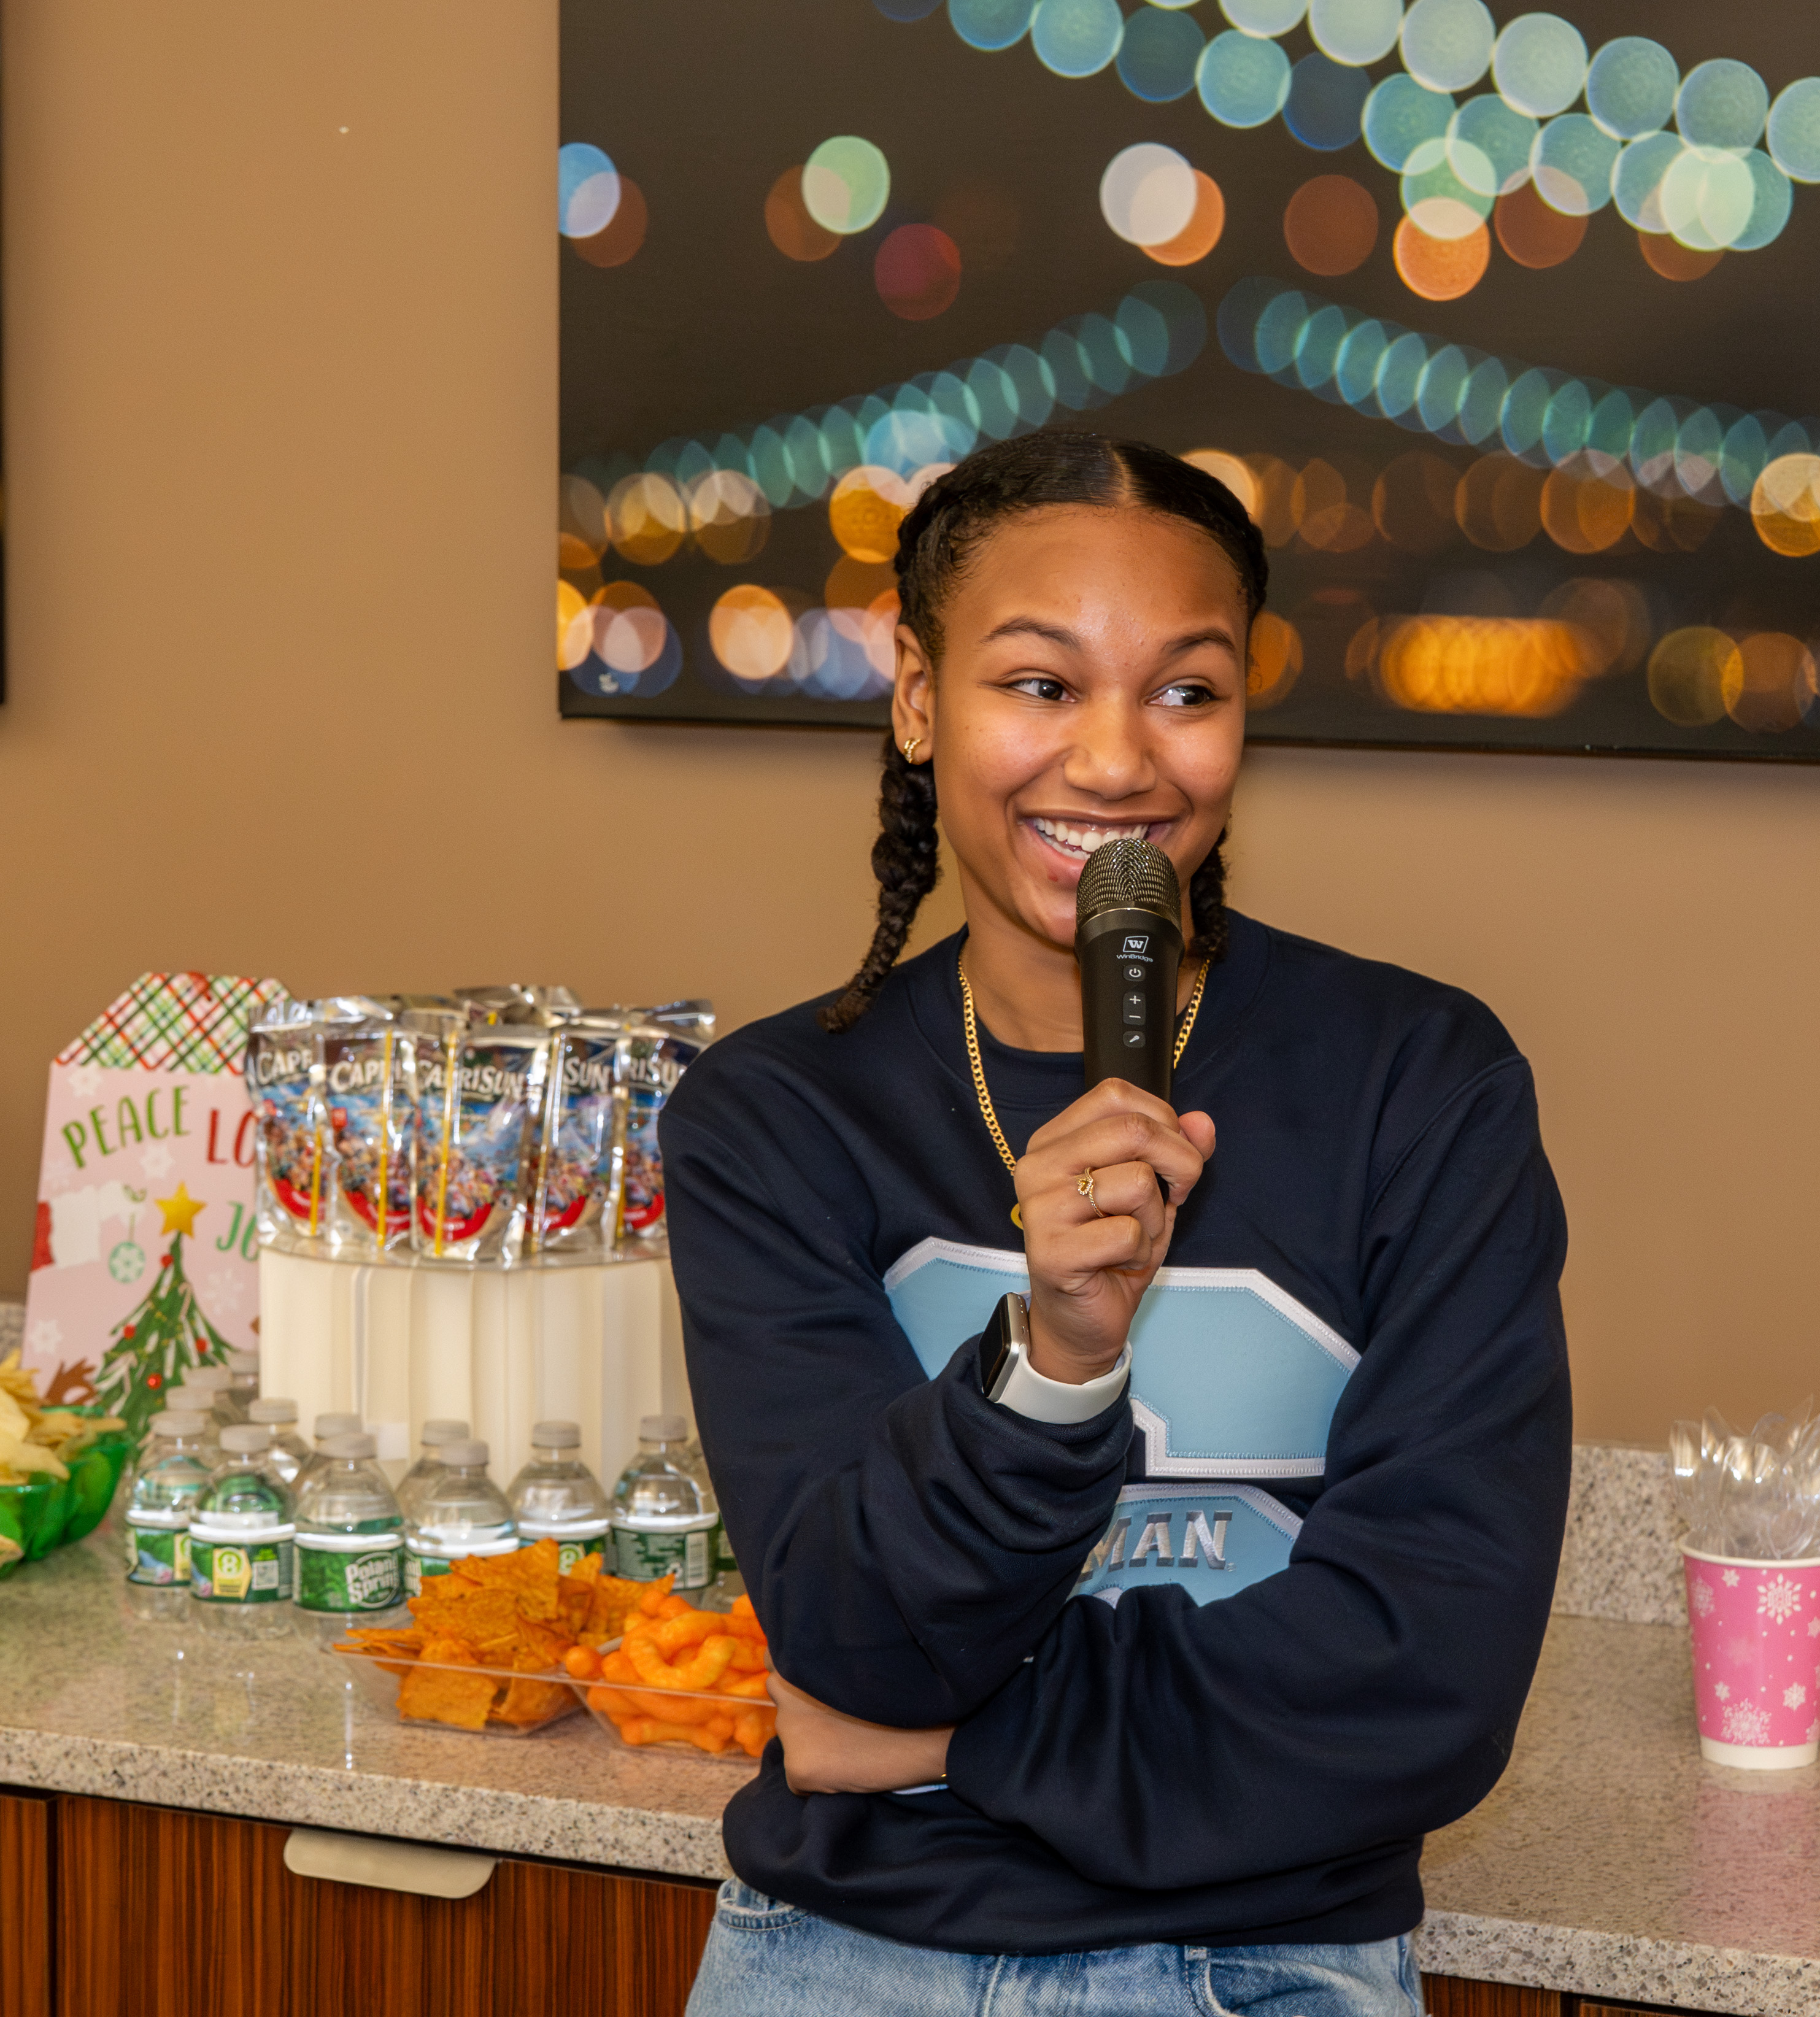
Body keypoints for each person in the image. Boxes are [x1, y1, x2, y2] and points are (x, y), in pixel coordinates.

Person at [662, 428, 1571, 2015]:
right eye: (1040, 683)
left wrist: (954, 1737)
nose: (1116, 761)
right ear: (920, 696)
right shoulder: (775, 1118)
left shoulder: (1419, 1084)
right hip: (838, 1963)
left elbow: (1429, 1687)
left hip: (1278, 1964)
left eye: (1187, 691)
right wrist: (1059, 1358)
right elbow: (851, 1635)